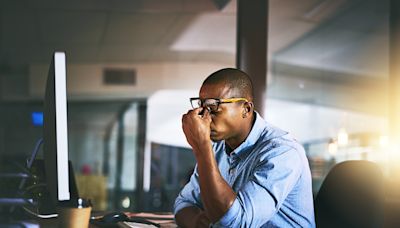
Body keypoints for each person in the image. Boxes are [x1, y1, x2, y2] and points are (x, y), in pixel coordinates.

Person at [174, 68, 315, 227]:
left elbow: (237, 223)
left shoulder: (283, 152)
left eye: (213, 107)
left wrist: (202, 147)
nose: (204, 118)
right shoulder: (217, 148)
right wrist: (196, 221)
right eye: (201, 107)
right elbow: (183, 202)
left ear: (246, 109)